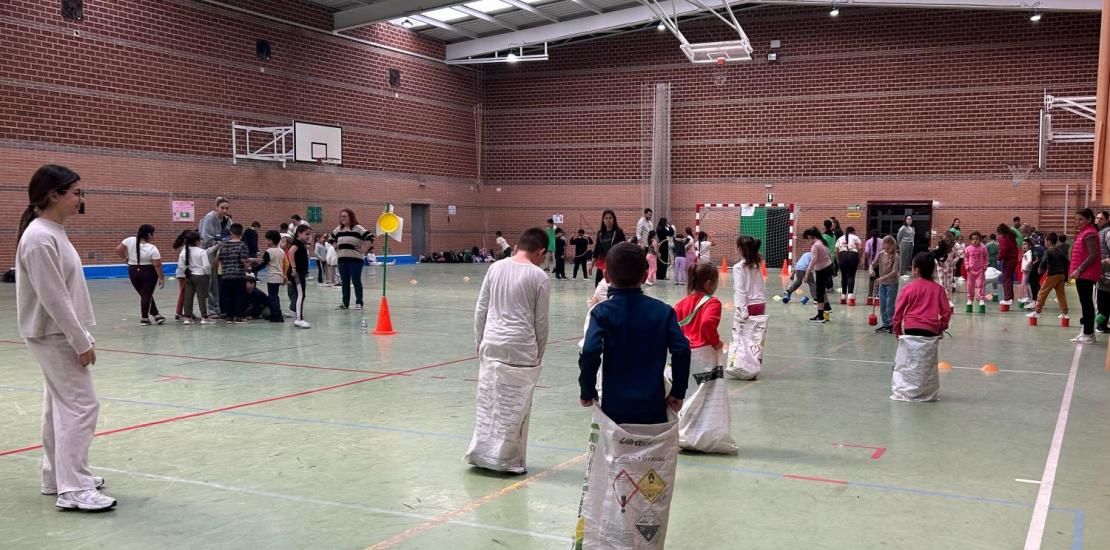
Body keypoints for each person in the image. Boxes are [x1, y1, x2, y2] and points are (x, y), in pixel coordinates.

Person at [16, 165, 117, 510]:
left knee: (58, 406)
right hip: (55, 334)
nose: (81, 199)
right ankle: (74, 489)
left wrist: (81, 332)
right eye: (75, 192)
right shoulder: (39, 237)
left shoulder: (51, 231)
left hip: (58, 331)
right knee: (81, 405)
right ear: (53, 196)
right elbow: (53, 297)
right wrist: (80, 341)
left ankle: (56, 476)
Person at [465, 228, 551, 473]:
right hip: (521, 350)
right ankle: (509, 462)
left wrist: (479, 340)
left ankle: (481, 455)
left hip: (491, 345)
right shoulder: (539, 277)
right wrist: (538, 354)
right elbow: (541, 322)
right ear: (541, 252)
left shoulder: (495, 267)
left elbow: (481, 308)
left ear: (517, 246)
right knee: (516, 410)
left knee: (488, 405)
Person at [579, 241, 690, 424]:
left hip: (614, 408)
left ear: (606, 275)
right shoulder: (663, 311)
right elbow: (682, 350)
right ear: (645, 275)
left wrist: (587, 390)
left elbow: (590, 351)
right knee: (652, 452)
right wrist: (678, 391)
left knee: (615, 452)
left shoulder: (600, 313)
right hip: (653, 407)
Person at [890, 252, 953, 402]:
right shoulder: (938, 289)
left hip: (911, 329)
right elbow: (946, 311)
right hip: (930, 331)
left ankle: (907, 389)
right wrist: (941, 327)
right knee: (926, 363)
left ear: (916, 270)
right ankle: (925, 391)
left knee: (908, 362)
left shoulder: (909, 288)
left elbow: (898, 313)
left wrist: (898, 332)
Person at [727, 236, 767, 380]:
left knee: (741, 338)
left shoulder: (739, 267)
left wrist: (743, 310)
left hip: (747, 305)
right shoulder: (757, 263)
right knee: (755, 339)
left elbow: (740, 290)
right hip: (760, 304)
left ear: (740, 249)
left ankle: (741, 367)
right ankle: (753, 368)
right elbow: (761, 285)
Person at [116, 224, 165, 326]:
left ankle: (156, 315)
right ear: (149, 235)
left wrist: (125, 258)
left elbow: (118, 249)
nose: (154, 236)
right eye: (153, 234)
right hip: (148, 272)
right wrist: (161, 278)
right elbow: (157, 265)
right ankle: (144, 318)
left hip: (133, 270)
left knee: (145, 294)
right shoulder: (152, 248)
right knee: (146, 295)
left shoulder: (129, 240)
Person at [1069, 208, 1101, 343]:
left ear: (1089, 219)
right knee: (1085, 303)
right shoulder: (1084, 232)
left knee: (1087, 304)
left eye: (1080, 219)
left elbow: (1093, 255)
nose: (1077, 222)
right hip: (1082, 275)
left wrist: (1079, 269)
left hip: (1086, 274)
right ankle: (1088, 333)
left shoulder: (1090, 233)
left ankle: (1089, 334)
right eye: (1076, 219)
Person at [333, 209, 373, 310]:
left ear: (350, 217)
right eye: (341, 216)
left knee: (356, 281)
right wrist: (335, 247)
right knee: (345, 282)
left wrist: (364, 250)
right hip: (342, 260)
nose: (342, 218)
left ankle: (359, 303)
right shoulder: (338, 229)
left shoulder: (358, 228)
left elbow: (370, 237)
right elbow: (331, 238)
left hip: (356, 260)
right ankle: (345, 303)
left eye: (344, 216)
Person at [198, 197, 231, 318]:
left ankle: (217, 308)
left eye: (227, 208)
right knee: (209, 283)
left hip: (221, 254)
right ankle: (210, 310)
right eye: (222, 208)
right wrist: (219, 243)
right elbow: (206, 239)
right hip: (208, 254)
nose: (224, 210)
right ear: (216, 207)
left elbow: (230, 235)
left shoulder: (227, 220)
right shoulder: (210, 217)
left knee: (217, 283)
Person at [1028, 232, 1069, 321]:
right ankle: (1065, 314)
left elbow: (1044, 261)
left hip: (1052, 275)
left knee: (1042, 292)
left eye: (1045, 241)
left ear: (1049, 241)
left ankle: (1037, 311)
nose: (1045, 243)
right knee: (1061, 294)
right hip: (1061, 275)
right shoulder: (1060, 250)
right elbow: (1067, 262)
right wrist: (1066, 276)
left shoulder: (1048, 251)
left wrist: (1040, 269)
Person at [178, 230, 215, 325]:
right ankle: (204, 317)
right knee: (202, 297)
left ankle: (187, 318)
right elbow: (206, 266)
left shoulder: (184, 251)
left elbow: (180, 265)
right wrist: (207, 273)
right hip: (201, 276)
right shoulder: (202, 252)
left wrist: (186, 272)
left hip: (189, 276)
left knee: (188, 297)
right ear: (197, 241)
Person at [216, 223, 250, 324]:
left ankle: (229, 317)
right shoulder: (242, 245)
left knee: (227, 296)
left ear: (230, 232)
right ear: (242, 233)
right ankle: (239, 316)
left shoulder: (224, 245)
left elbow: (217, 260)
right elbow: (244, 260)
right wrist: (247, 268)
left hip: (226, 275)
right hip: (238, 275)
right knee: (240, 296)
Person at [802, 227, 834, 323]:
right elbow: (829, 253)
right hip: (828, 267)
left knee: (819, 292)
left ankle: (820, 316)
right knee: (822, 288)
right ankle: (827, 307)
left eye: (808, 239)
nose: (808, 241)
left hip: (822, 269)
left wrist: (807, 274)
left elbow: (813, 260)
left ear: (811, 237)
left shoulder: (815, 246)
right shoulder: (822, 241)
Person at [253, 229, 287, 323]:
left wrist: (252, 270)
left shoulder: (269, 252)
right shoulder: (281, 251)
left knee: (272, 297)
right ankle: (277, 314)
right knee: (275, 296)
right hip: (279, 277)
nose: (266, 241)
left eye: (267, 239)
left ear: (271, 241)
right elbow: (285, 264)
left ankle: (277, 316)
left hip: (272, 278)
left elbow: (263, 265)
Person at [871, 235, 900, 333]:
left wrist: (882, 278)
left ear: (893, 246)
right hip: (882, 284)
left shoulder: (896, 256)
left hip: (892, 283)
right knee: (882, 305)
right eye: (885, 247)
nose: (886, 249)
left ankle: (892, 324)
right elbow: (873, 264)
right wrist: (871, 270)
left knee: (889, 305)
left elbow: (894, 272)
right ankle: (885, 324)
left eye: (889, 247)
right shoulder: (880, 254)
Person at [592, 209, 626, 286]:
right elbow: (596, 250)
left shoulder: (618, 232)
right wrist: (591, 265)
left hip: (614, 265)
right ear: (603, 220)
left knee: (611, 286)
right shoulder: (600, 233)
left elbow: (623, 248)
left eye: (610, 218)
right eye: (606, 218)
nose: (608, 220)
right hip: (601, 265)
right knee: (599, 286)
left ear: (614, 219)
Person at [288, 224, 313, 329]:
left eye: (309, 234)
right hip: (297, 274)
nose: (308, 236)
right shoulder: (297, 243)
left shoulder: (302, 244)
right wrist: (294, 269)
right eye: (306, 234)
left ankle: (299, 317)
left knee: (301, 295)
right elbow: (290, 253)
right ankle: (298, 319)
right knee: (300, 295)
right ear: (299, 233)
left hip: (301, 273)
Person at [835, 226, 862, 303]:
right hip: (853, 256)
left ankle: (843, 296)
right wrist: (859, 258)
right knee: (851, 275)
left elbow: (836, 251)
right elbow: (860, 248)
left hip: (842, 256)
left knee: (844, 276)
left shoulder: (840, 238)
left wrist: (838, 260)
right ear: (853, 232)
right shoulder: (856, 237)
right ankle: (850, 295)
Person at [964, 231, 988, 313]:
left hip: (980, 270)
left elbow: (986, 258)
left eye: (976, 239)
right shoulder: (968, 249)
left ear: (980, 240)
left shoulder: (983, 248)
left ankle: (981, 300)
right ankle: (970, 300)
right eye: (973, 239)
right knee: (970, 285)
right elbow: (966, 258)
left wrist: (985, 266)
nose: (974, 241)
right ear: (970, 240)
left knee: (980, 285)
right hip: (970, 270)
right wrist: (967, 266)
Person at [997, 223, 1019, 306]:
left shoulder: (1003, 238)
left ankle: (1008, 298)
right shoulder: (1012, 236)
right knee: (1009, 279)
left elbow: (1003, 249)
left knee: (1006, 279)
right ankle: (1010, 298)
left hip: (1008, 260)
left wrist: (999, 258)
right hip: (1014, 259)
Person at [1096, 211, 1110, 332]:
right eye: (1097, 218)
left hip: (1107, 272)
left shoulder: (1108, 232)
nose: (1098, 220)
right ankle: (1101, 324)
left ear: (1107, 220)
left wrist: (1106, 260)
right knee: (1101, 298)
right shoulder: (1099, 232)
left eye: (1101, 218)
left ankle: (1102, 325)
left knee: (1105, 297)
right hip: (1100, 271)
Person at [171, 230, 189, 321]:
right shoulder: (185, 248)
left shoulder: (184, 247)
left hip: (182, 273)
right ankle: (178, 313)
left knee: (186, 293)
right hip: (183, 273)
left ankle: (186, 311)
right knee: (183, 293)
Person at [863, 229, 881, 304]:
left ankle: (870, 296)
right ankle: (877, 296)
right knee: (878, 279)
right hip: (880, 263)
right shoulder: (882, 241)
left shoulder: (868, 241)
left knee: (871, 279)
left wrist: (869, 258)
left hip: (872, 263)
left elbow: (867, 252)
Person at [986, 232, 1000, 297]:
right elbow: (999, 253)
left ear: (990, 238)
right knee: (995, 275)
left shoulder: (987, 244)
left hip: (988, 259)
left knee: (987, 274)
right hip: (995, 259)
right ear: (995, 238)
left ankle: (983, 289)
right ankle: (995, 291)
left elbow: (986, 253)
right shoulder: (998, 244)